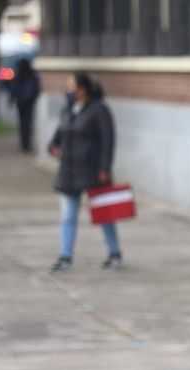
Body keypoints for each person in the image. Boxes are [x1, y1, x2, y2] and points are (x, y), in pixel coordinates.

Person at [48, 72, 122, 272]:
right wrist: (54, 147)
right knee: (68, 216)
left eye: (72, 86)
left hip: (92, 171)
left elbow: (108, 142)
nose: (69, 91)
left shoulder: (99, 111)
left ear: (83, 89)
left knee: (104, 214)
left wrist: (105, 168)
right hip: (69, 171)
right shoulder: (68, 110)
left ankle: (114, 253)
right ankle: (65, 257)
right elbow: (58, 136)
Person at [11, 58, 41, 153]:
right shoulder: (32, 75)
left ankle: (24, 144)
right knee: (27, 123)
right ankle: (26, 144)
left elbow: (14, 88)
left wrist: (13, 98)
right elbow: (36, 88)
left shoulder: (19, 74)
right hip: (29, 102)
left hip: (21, 102)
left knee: (22, 123)